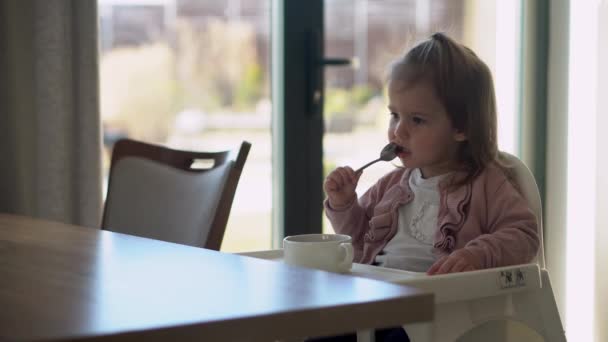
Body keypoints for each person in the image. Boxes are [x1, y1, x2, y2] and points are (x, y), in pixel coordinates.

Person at [315, 32, 540, 342]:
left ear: (461, 126)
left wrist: (477, 255)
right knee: (319, 332)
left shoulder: (488, 183)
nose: (398, 131)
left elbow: (524, 235)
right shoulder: (390, 185)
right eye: (394, 115)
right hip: (377, 300)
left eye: (417, 120)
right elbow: (357, 243)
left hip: (443, 313)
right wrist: (344, 204)